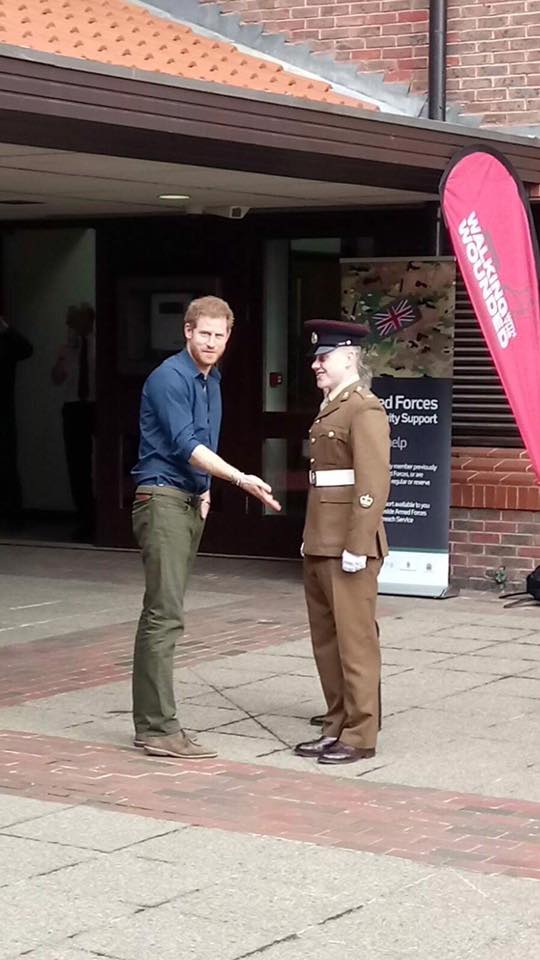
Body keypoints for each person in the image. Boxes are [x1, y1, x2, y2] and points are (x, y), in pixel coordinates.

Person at [131, 295, 280, 760]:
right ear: (188, 332)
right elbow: (185, 444)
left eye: (220, 335)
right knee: (165, 615)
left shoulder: (210, 381)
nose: (212, 342)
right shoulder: (169, 378)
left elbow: (202, 443)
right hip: (162, 499)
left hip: (188, 501)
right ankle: (157, 728)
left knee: (162, 611)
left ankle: (153, 722)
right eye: (205, 333)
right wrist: (239, 479)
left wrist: (207, 492)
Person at [294, 319, 390, 765]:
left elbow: (372, 483)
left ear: (349, 357)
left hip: (347, 544)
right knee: (327, 642)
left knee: (354, 643)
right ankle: (336, 724)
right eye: (316, 356)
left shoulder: (363, 408)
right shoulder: (332, 406)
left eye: (324, 356)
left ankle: (361, 732)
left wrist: (358, 543)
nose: (316, 364)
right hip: (321, 538)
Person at [51, 303, 96, 541]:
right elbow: (56, 379)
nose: (68, 324)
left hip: (97, 406)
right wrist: (67, 354)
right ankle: (85, 520)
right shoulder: (67, 347)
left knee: (104, 464)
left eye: (72, 319)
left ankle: (105, 517)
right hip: (73, 407)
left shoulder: (100, 343)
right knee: (77, 467)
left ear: (87, 320)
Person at [0, 315, 33, 529]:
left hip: (3, 412)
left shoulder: (7, 344)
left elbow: (26, 349)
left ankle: (13, 516)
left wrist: (5, 329)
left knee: (6, 462)